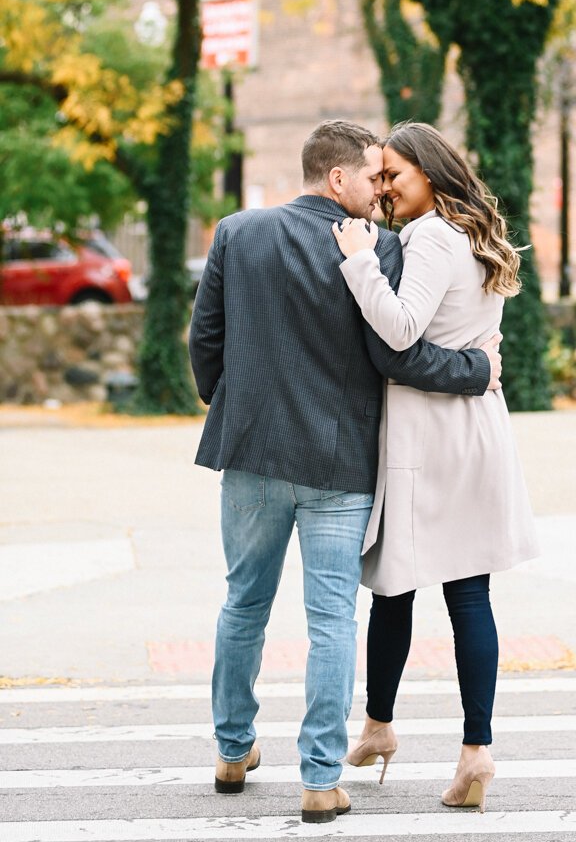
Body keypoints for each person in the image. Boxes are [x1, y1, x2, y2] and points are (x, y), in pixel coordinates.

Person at [188, 120, 501, 824]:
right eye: (371, 176)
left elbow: (204, 341)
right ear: (337, 179)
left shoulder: (237, 233)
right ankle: (320, 781)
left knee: (243, 605)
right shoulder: (377, 248)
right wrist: (477, 367)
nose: (379, 191)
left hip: (251, 455)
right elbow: (395, 354)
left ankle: (233, 751)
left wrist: (235, 408)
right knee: (330, 620)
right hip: (339, 464)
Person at [332, 121, 539, 815]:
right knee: (465, 593)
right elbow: (475, 336)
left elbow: (399, 329)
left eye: (394, 174)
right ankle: (468, 748)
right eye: (381, 176)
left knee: (397, 587)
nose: (384, 187)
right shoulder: (477, 236)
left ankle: (381, 726)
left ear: (430, 169)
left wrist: (359, 258)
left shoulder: (429, 238)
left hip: (430, 433)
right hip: (476, 428)